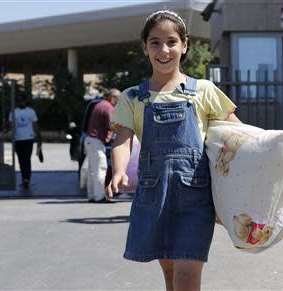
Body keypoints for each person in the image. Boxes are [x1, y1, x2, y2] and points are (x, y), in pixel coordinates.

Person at [106, 10, 241, 290]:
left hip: (195, 199)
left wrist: (272, 146)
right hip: (154, 197)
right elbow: (122, 139)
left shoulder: (204, 91)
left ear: (185, 45)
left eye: (171, 42)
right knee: (170, 276)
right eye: (155, 42)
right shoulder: (132, 97)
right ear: (144, 47)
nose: (163, 50)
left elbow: (239, 134)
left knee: (186, 276)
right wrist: (119, 171)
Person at [85, 88, 120, 203]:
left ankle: (91, 195)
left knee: (92, 170)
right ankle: (99, 196)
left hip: (91, 140)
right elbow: (113, 125)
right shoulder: (108, 107)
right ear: (112, 97)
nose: (119, 101)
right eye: (118, 98)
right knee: (101, 168)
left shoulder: (101, 105)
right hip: (96, 142)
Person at [8, 95, 42, 189]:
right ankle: (24, 177)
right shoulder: (13, 112)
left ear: (25, 101)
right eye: (19, 101)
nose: (21, 103)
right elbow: (11, 125)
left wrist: (38, 136)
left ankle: (27, 178)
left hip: (28, 138)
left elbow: (35, 125)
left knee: (27, 159)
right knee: (20, 159)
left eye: (22, 101)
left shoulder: (31, 112)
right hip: (18, 139)